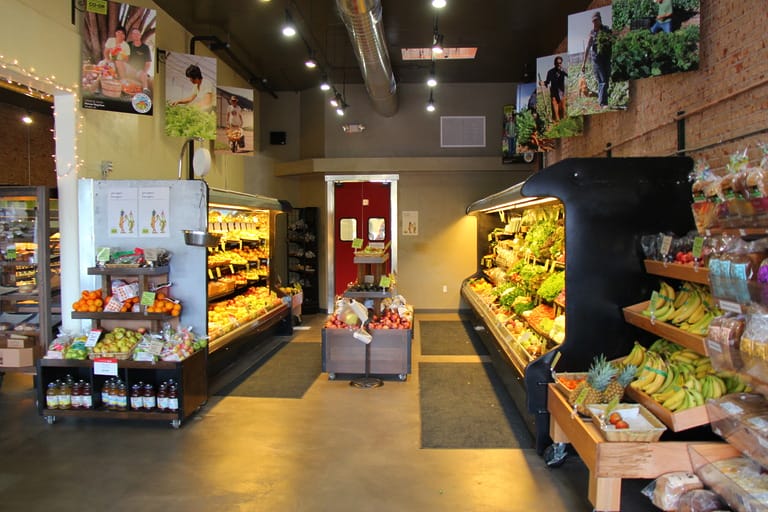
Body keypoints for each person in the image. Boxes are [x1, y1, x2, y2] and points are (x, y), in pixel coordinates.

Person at [581, 11, 612, 108]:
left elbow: (612, 40)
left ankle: (600, 98)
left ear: (600, 20)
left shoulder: (606, 29)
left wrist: (608, 39)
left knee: (606, 79)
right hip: (597, 60)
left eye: (596, 20)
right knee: (602, 80)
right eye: (593, 21)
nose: (594, 22)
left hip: (606, 58)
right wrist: (583, 64)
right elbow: (587, 48)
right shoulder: (592, 33)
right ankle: (603, 103)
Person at [124, 27, 152, 93]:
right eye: (134, 34)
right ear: (132, 36)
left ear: (140, 35)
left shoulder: (145, 48)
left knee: (143, 74)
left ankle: (145, 90)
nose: (136, 35)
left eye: (137, 34)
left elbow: (148, 64)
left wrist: (144, 72)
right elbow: (124, 59)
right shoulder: (128, 45)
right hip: (129, 69)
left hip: (139, 72)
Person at [541, 56, 568, 122]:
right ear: (554, 63)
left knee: (562, 106)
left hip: (561, 91)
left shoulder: (563, 71)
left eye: (560, 63)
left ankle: (563, 119)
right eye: (557, 63)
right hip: (554, 91)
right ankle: (557, 120)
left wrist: (564, 70)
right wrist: (542, 83)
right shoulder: (550, 72)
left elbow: (569, 75)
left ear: (561, 63)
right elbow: (547, 82)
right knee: (554, 103)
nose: (559, 64)